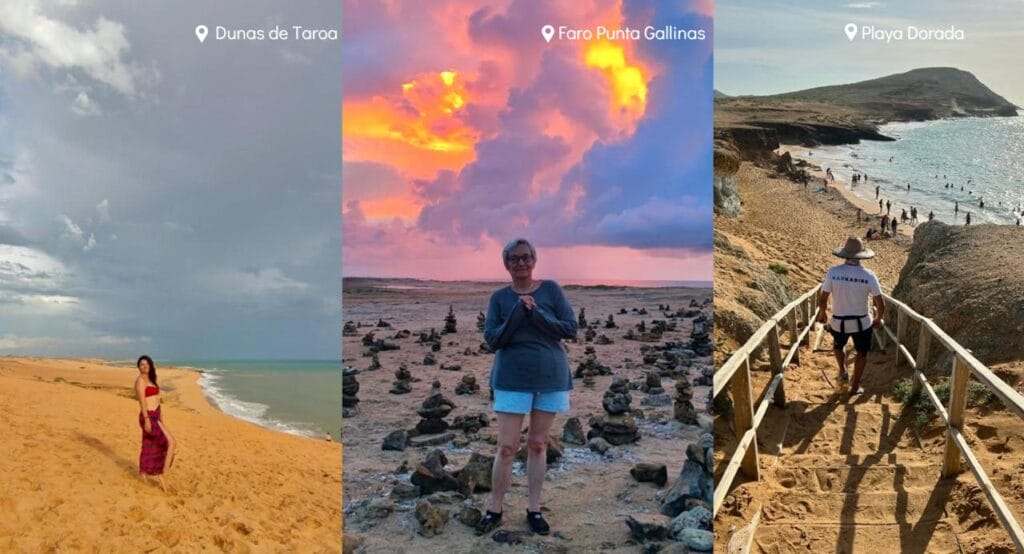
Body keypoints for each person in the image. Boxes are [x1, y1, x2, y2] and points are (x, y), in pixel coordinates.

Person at [477, 238, 577, 536]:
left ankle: (534, 509)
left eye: (525, 257)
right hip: (511, 379)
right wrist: (517, 314)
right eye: (514, 259)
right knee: (506, 448)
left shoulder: (552, 290)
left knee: (538, 444)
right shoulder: (499, 298)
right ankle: (495, 508)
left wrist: (537, 314)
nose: (521, 263)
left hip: (550, 377)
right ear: (506, 264)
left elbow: (569, 329)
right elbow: (494, 340)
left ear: (534, 260)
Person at [816, 237, 885, 395]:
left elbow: (823, 298)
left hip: (838, 322)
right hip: (862, 323)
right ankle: (855, 386)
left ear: (845, 254)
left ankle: (842, 370)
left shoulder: (833, 272)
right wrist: (878, 319)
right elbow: (881, 305)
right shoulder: (869, 275)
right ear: (861, 255)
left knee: (838, 347)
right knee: (862, 353)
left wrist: (823, 314)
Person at [135, 355, 176, 492]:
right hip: (148, 417)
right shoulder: (140, 381)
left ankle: (143, 473)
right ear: (139, 367)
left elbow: (157, 401)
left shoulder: (151, 380)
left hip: (156, 416)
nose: (144, 366)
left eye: (147, 364)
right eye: (142, 364)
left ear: (151, 365)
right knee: (170, 443)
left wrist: (161, 419)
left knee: (149, 445)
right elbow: (142, 402)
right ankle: (162, 474)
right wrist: (146, 419)